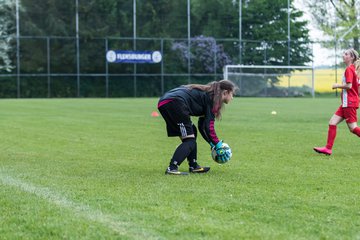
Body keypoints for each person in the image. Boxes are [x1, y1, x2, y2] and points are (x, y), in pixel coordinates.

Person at [158, 79, 237, 175]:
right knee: (189, 140)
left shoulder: (209, 95)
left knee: (192, 132)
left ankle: (193, 165)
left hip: (167, 102)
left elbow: (202, 126)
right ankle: (172, 168)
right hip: (174, 103)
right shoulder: (212, 99)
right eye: (232, 94)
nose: (232, 97)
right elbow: (209, 127)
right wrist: (218, 144)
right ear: (225, 92)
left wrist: (212, 144)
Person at [314, 48, 360, 156]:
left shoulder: (349, 69)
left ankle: (328, 148)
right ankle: (328, 149)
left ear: (351, 57)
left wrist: (336, 85)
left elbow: (349, 86)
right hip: (346, 103)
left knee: (353, 128)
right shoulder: (353, 69)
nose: (343, 55)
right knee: (332, 122)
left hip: (349, 103)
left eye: (346, 54)